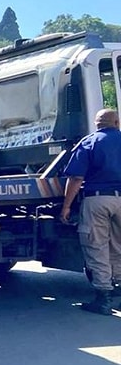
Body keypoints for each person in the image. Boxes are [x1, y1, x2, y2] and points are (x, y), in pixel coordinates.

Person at [59, 108, 121, 315]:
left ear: (97, 124)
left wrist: (66, 206)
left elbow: (76, 178)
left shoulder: (89, 142)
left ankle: (104, 298)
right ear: (117, 123)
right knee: (118, 246)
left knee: (97, 246)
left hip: (98, 200)